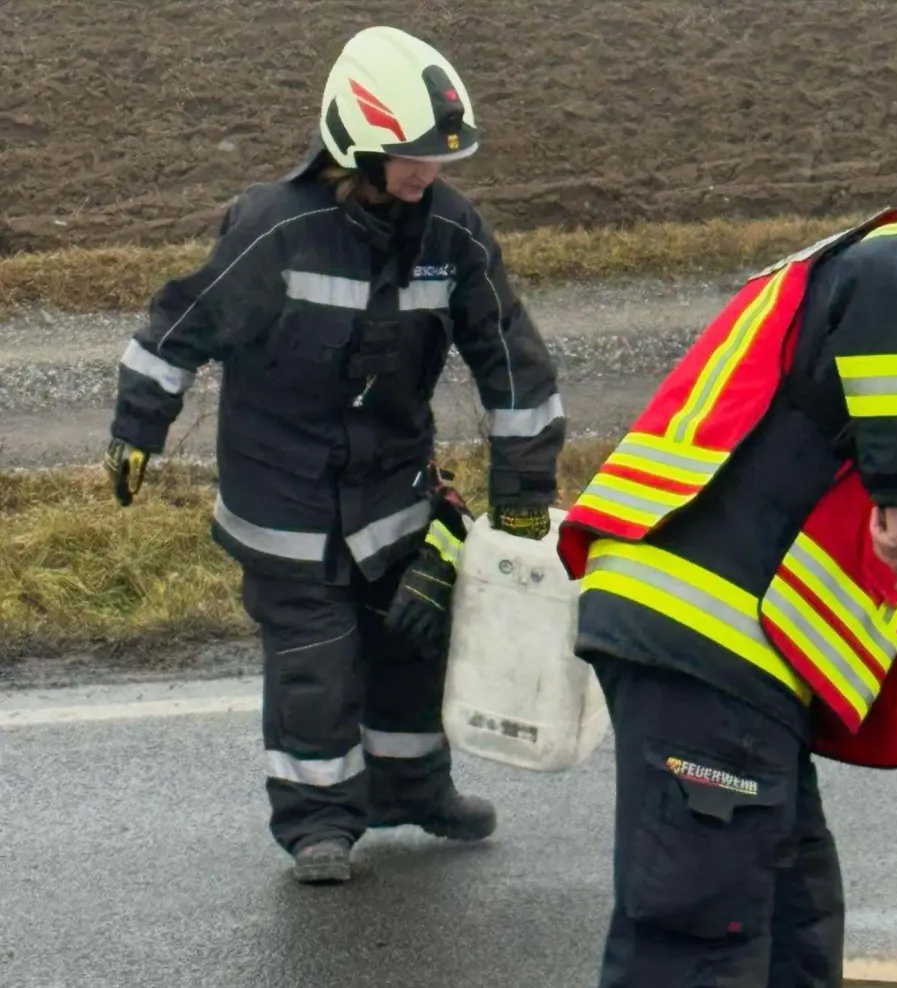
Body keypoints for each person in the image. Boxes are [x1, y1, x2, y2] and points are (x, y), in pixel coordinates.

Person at [556, 136, 897, 986]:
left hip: (741, 659)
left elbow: (843, 548)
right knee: (704, 942)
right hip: (709, 635)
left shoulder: (895, 310)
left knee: (796, 922)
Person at [104, 25, 566, 884]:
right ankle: (319, 820)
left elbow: (513, 361)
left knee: (411, 643)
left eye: (440, 157)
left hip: (391, 492)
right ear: (357, 140)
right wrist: (137, 427)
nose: (432, 173)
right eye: (415, 157)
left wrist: (521, 498)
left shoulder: (452, 234)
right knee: (315, 666)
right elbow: (181, 323)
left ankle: (415, 791)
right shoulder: (277, 227)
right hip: (282, 499)